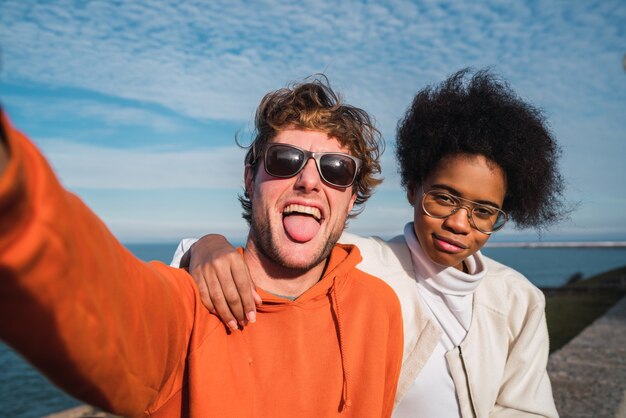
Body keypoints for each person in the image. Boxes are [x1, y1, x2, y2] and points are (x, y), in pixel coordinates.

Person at [0, 78, 404, 417]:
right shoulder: (192, 306)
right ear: (250, 177)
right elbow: (99, 302)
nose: (309, 182)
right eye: (285, 160)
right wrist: (13, 191)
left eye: (336, 169)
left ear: (352, 197)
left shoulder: (380, 309)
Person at [172, 69, 565, 417]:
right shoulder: (361, 262)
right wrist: (206, 245)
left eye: (483, 211)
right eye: (443, 198)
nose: (459, 223)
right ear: (413, 189)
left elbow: (526, 409)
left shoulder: (520, 299)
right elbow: (284, 234)